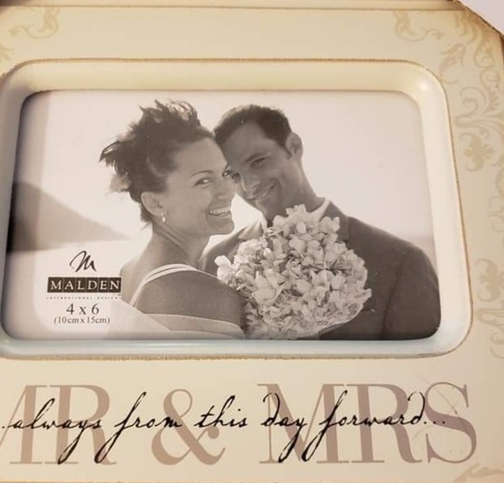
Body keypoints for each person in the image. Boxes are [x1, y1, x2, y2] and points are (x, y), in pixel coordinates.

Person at [201, 105, 441, 340]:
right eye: (234, 175)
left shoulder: (401, 262)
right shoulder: (213, 264)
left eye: (258, 162)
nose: (248, 184)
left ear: (294, 146)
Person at [100, 101, 243, 339]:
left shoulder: (129, 271)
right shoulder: (203, 292)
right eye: (203, 181)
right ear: (155, 203)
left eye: (226, 173)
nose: (228, 190)